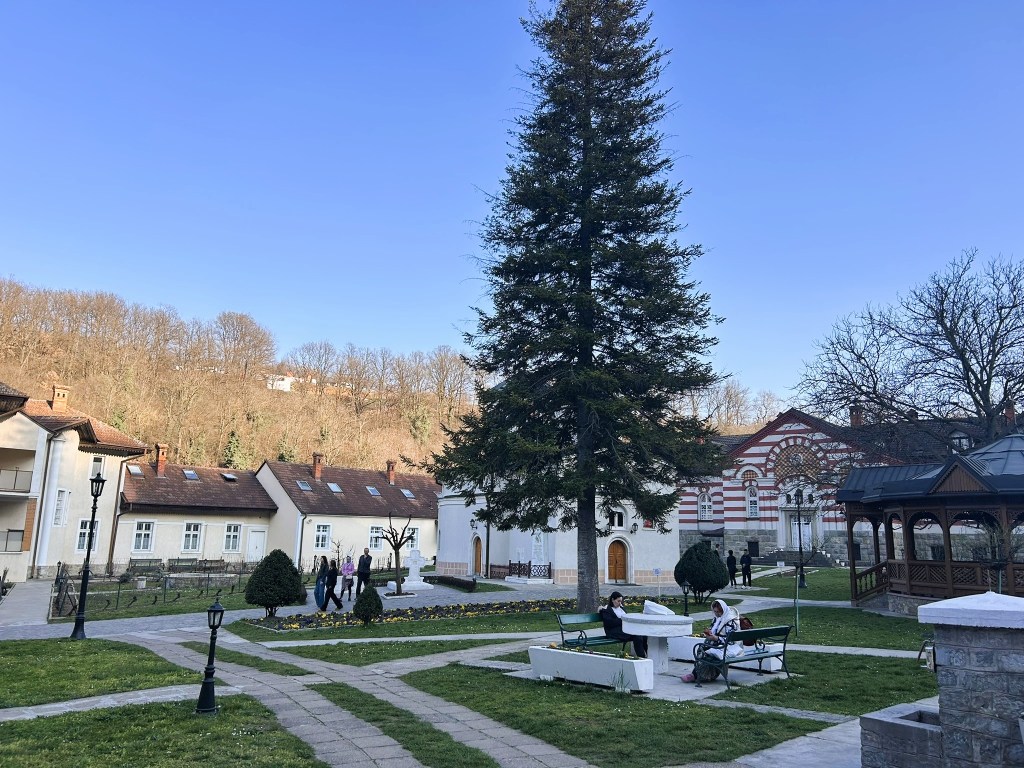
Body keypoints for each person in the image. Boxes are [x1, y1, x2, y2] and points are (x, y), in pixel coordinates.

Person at [682, 598, 742, 682]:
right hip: (718, 643)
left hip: (728, 646)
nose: (716, 614)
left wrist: (716, 638)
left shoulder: (730, 621)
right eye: (715, 612)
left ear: (723, 610)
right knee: (702, 648)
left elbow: (731, 639)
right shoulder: (717, 618)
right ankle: (706, 674)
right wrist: (709, 633)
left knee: (707, 652)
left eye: (718, 612)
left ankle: (696, 675)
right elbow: (714, 629)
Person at [598, 591, 648, 658]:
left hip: (624, 629)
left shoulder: (621, 608)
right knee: (637, 636)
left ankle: (648, 654)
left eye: (621, 601)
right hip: (614, 631)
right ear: (612, 600)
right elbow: (609, 623)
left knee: (642, 634)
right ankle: (642, 657)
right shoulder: (607, 610)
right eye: (618, 601)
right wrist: (623, 620)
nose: (620, 603)